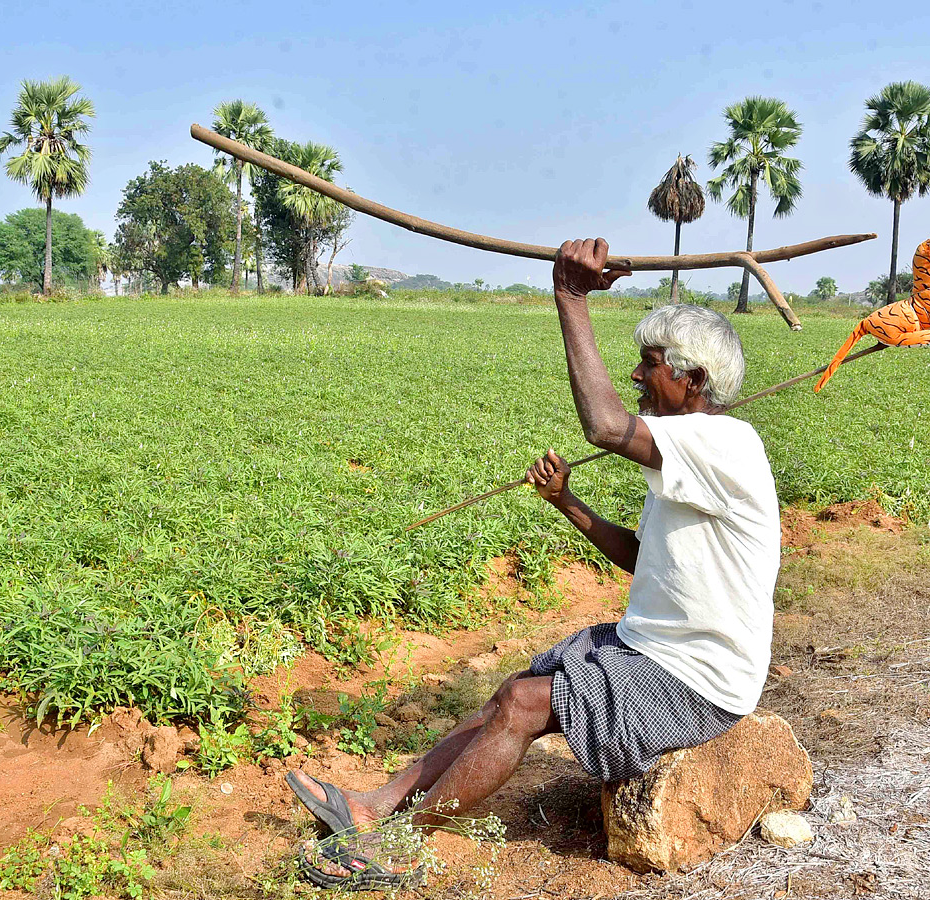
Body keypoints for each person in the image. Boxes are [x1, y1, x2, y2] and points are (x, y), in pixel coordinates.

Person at [288, 238, 781, 890]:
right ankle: (371, 808)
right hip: (650, 647)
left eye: (651, 365)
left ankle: (402, 848)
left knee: (524, 704)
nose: (637, 376)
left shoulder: (724, 443)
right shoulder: (692, 448)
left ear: (694, 382)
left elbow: (604, 426)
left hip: (700, 679)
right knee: (508, 694)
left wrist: (569, 295)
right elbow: (645, 558)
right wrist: (566, 503)